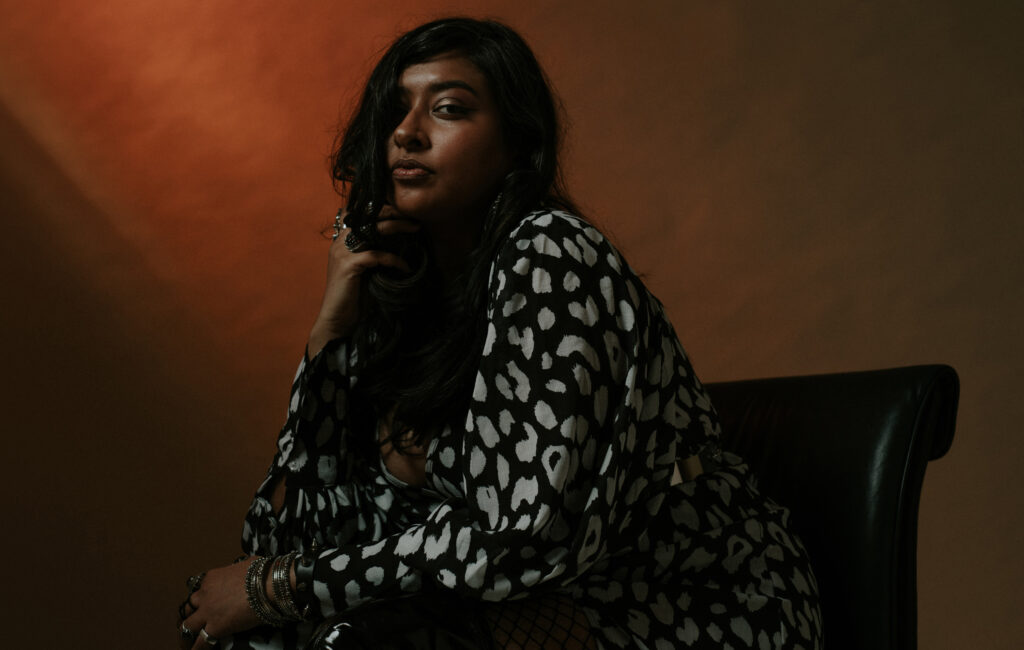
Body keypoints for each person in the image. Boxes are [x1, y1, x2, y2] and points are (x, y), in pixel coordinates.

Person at [177, 17, 823, 650]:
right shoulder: (408, 306)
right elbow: (279, 534)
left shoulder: (552, 255)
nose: (407, 133)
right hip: (539, 608)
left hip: (685, 603)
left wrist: (283, 586)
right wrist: (330, 333)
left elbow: (521, 541)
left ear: (517, 141)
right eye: (396, 112)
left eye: (449, 108)